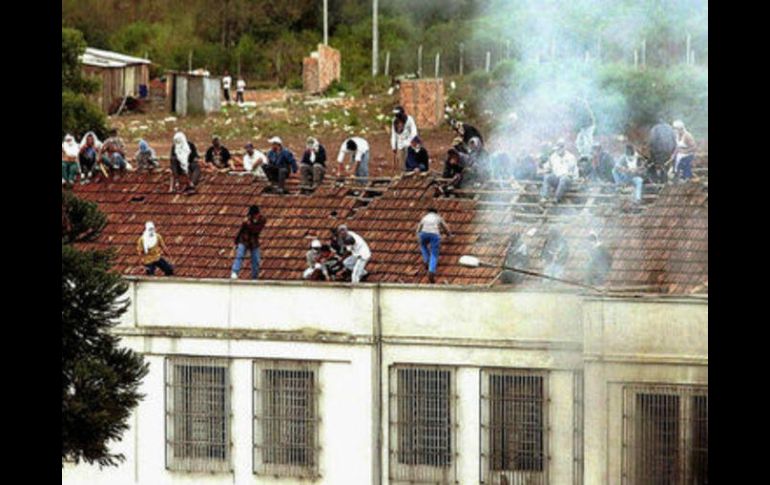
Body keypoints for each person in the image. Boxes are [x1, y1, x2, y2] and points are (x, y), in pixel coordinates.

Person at [416, 208, 452, 283]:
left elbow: (418, 230)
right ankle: (431, 271)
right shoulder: (438, 217)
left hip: (423, 234)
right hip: (434, 235)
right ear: (436, 212)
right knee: (434, 253)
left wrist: (419, 237)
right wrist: (449, 235)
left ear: (428, 212)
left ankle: (426, 259)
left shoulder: (424, 217)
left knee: (423, 246)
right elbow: (445, 228)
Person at [231, 205, 267, 280]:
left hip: (254, 241)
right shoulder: (247, 220)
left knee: (256, 259)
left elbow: (256, 230)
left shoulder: (262, 220)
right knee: (239, 255)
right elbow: (240, 231)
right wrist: (236, 242)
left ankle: (255, 277)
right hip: (244, 240)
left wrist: (249, 224)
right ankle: (234, 272)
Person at [540, 139, 578, 204]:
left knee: (564, 178)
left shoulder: (570, 157)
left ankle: (556, 198)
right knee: (547, 177)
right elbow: (548, 167)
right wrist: (543, 169)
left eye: (559, 149)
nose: (557, 151)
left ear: (563, 148)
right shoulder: (553, 156)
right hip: (557, 178)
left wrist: (565, 175)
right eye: (557, 149)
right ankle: (544, 197)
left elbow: (571, 172)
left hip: (568, 179)